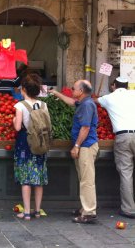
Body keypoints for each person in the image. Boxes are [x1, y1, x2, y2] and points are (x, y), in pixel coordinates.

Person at [50, 80, 99, 224]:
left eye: (74, 88)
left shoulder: (87, 105)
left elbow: (85, 128)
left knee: (87, 180)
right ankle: (85, 208)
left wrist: (76, 145)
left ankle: (89, 212)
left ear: (81, 91)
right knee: (84, 179)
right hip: (84, 146)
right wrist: (55, 93)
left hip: (86, 146)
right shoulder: (83, 103)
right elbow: (71, 102)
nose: (72, 90)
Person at [94, 77, 135, 219]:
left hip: (123, 138)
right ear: (128, 86)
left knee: (126, 173)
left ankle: (129, 209)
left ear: (113, 86)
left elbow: (93, 101)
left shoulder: (109, 98)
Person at [12, 74, 49, 220]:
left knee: (25, 178)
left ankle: (27, 212)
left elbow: (17, 127)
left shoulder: (20, 105)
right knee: (38, 177)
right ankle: (38, 211)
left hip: (25, 143)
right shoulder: (44, 105)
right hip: (40, 142)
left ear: (23, 90)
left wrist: (15, 119)